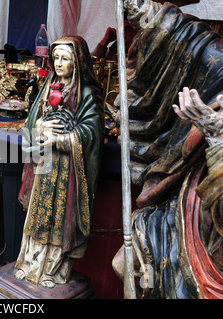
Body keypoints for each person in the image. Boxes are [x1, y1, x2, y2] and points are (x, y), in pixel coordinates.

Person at [112, 0, 222, 298]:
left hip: (210, 235)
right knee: (126, 262)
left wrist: (215, 137)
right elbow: (193, 47)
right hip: (190, 205)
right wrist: (147, 14)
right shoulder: (216, 62)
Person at [15, 36, 105, 288]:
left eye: (65, 58)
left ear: (77, 62)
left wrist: (63, 139)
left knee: (59, 220)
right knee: (38, 215)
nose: (59, 63)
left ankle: (52, 270)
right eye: (56, 58)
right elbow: (31, 123)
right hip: (43, 164)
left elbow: (93, 133)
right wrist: (41, 126)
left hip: (68, 170)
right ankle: (29, 263)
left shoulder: (87, 94)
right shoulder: (48, 86)